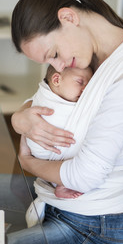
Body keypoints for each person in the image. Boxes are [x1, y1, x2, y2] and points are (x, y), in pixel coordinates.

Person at [6, 0, 123, 244]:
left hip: (93, 230)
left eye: (54, 54)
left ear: (68, 18)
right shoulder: (90, 57)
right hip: (52, 203)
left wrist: (28, 163)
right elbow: (48, 98)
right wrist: (19, 117)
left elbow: (85, 176)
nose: (58, 68)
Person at [28, 65, 93, 199]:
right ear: (56, 80)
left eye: (89, 84)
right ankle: (62, 182)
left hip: (41, 153)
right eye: (80, 82)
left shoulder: (58, 94)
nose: (86, 89)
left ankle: (59, 180)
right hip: (46, 150)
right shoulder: (48, 100)